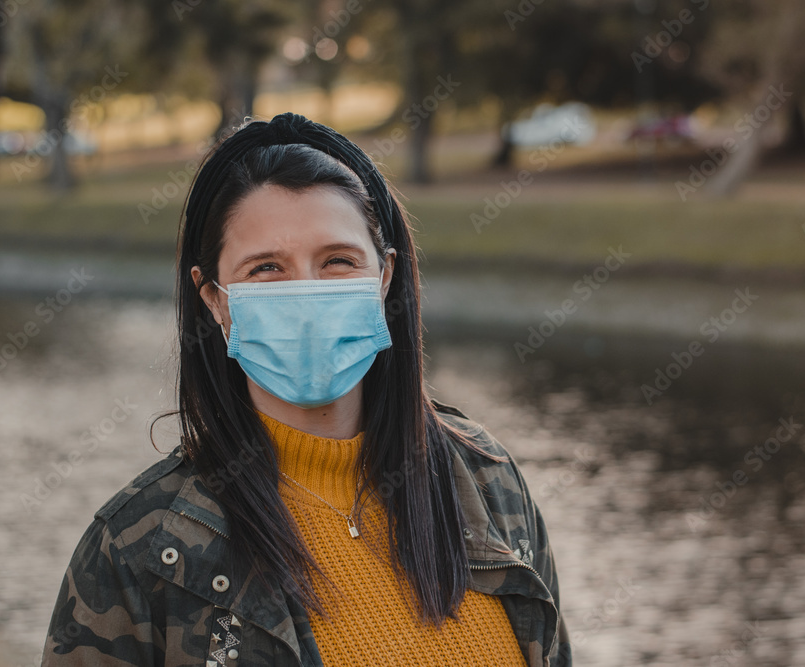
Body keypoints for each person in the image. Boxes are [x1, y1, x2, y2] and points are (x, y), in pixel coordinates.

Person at [41, 112, 571, 666]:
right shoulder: (137, 552)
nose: (306, 297)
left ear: (384, 277)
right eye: (266, 268)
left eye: (338, 261)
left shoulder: (485, 480)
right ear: (214, 298)